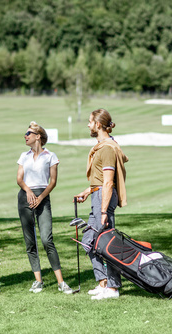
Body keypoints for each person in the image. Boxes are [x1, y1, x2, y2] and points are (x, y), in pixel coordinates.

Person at [74, 108, 128, 300]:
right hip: (97, 195)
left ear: (98, 125)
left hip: (103, 198)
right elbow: (99, 181)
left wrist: (103, 210)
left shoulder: (106, 148)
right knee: (89, 240)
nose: (88, 125)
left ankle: (113, 288)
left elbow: (107, 181)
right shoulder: (103, 146)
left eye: (90, 122)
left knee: (106, 243)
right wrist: (88, 191)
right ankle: (103, 282)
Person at [16, 121, 73, 294]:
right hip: (25, 197)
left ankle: (61, 282)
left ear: (37, 136)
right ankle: (38, 281)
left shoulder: (50, 156)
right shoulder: (23, 156)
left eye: (28, 134)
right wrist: (28, 192)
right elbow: (19, 179)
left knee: (47, 239)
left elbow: (53, 181)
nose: (25, 136)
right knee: (30, 241)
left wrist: (40, 197)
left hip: (43, 197)